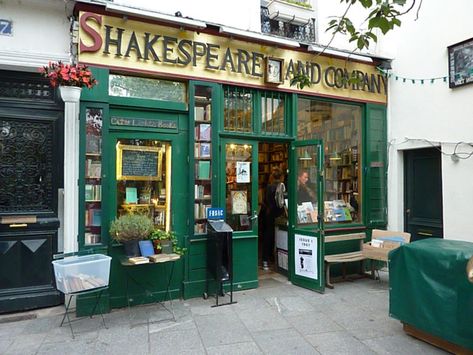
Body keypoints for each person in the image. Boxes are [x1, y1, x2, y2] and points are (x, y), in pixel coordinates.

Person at [260, 168, 285, 271]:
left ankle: (265, 260)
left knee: (268, 236)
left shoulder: (268, 187)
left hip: (269, 214)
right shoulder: (282, 186)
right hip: (279, 214)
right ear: (281, 176)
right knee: (278, 236)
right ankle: (275, 259)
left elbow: (265, 200)